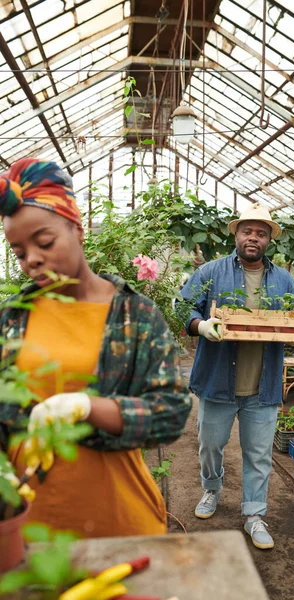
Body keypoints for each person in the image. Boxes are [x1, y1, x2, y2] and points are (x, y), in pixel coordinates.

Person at [0, 158, 192, 538]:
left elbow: (171, 412)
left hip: (118, 521)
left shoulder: (134, 316)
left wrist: (88, 407)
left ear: (77, 229)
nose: (33, 259)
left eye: (44, 242)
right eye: (19, 253)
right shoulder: (12, 318)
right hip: (26, 529)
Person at [180, 203, 294, 550]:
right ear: (236, 235)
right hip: (217, 381)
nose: (254, 237)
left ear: (268, 241)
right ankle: (211, 489)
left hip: (261, 386)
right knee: (210, 446)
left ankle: (254, 514)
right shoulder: (210, 273)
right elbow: (182, 307)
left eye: (261, 233)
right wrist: (201, 325)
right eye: (247, 231)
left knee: (258, 454)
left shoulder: (284, 281)